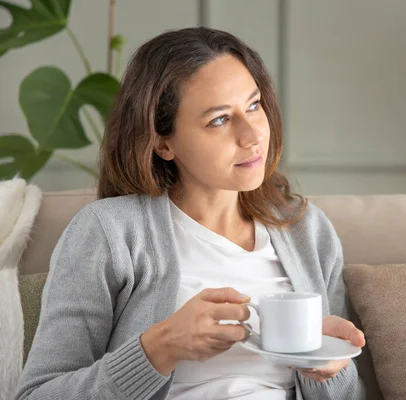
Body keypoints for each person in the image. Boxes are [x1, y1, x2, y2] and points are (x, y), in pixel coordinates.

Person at [15, 27, 366, 400]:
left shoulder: (307, 230)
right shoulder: (109, 232)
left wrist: (328, 371)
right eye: (219, 119)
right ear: (163, 143)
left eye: (253, 105)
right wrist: (159, 349)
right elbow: (38, 394)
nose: (252, 135)